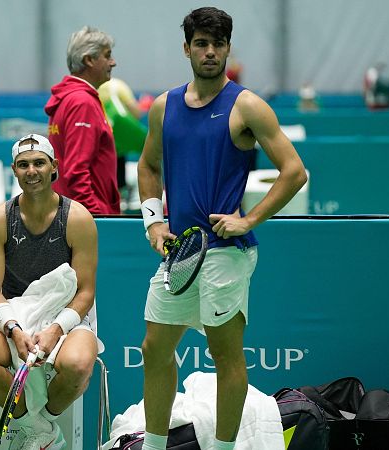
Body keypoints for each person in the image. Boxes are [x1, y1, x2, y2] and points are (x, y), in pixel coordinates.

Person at [137, 8, 307, 450]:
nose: (209, 52)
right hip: (180, 252)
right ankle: (154, 446)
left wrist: (249, 219)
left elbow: (294, 171)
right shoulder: (164, 106)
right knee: (155, 347)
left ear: (229, 47)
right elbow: (148, 165)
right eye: (201, 43)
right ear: (187, 48)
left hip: (226, 253)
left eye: (217, 44)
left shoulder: (247, 105)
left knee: (225, 353)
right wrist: (154, 222)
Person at [0, 134, 100, 450]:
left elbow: (86, 291)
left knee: (78, 364)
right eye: (24, 165)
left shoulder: (78, 218)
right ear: (14, 170)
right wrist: (13, 329)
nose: (32, 171)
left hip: (64, 315)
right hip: (12, 311)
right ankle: (38, 428)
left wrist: (55, 330)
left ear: (54, 167)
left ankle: (43, 421)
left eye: (39, 163)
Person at [45, 26, 121, 215]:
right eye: (107, 55)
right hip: (89, 218)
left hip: (73, 214)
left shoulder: (70, 99)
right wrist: (96, 216)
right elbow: (76, 171)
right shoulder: (82, 102)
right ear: (89, 60)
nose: (113, 62)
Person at [98, 77, 148, 211]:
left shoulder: (92, 88)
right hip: (116, 146)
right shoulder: (117, 86)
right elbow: (135, 113)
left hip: (100, 147)